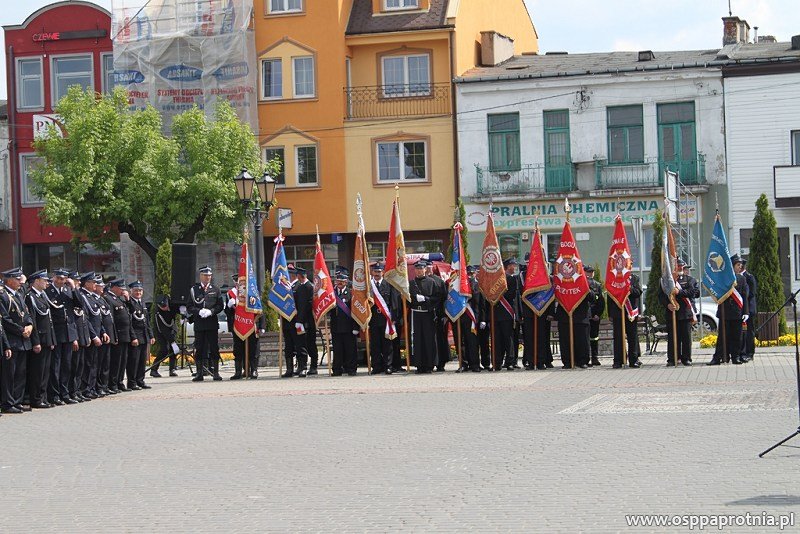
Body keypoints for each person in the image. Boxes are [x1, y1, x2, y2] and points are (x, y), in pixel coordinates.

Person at [0, 268, 33, 414]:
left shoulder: (19, 294)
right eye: (17, 279)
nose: (20, 282)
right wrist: (21, 330)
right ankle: (8, 403)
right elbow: (5, 319)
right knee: (9, 374)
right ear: (9, 280)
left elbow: (26, 314)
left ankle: (17, 400)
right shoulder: (3, 296)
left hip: (23, 340)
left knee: (21, 372)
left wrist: (29, 326)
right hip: (11, 339)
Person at [45, 268, 79, 405]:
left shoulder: (68, 291)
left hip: (69, 332)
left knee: (67, 365)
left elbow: (80, 305)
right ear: (54, 278)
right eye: (58, 278)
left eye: (64, 279)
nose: (61, 281)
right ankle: (55, 395)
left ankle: (65, 393)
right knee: (56, 366)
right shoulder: (48, 292)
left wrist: (74, 288)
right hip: (57, 333)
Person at [708, 255, 749, 365]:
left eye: (740, 265)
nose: (739, 267)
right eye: (737, 265)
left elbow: (744, 296)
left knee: (737, 336)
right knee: (722, 336)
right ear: (731, 266)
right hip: (724, 311)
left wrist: (746, 312)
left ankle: (735, 357)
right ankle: (718, 357)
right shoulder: (722, 278)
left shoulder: (741, 279)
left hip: (737, 312)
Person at [25, 270, 56, 409]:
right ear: (37, 281)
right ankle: (36, 399)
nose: (47, 283)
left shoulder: (43, 296)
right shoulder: (30, 297)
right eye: (44, 280)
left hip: (47, 338)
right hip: (39, 339)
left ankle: (42, 397)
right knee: (37, 371)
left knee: (45, 371)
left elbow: (49, 320)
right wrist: (36, 341)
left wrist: (52, 340)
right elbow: (33, 321)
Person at [658, 259, 698, 366]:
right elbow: (661, 296)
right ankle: (672, 358)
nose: (680, 268)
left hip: (685, 313)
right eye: (677, 267)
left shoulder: (689, 280)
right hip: (672, 312)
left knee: (686, 338)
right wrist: (668, 304)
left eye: (681, 267)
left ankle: (686, 358)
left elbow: (692, 292)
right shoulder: (666, 281)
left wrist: (679, 292)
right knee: (672, 338)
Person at [188, 266, 224, 381]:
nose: (207, 277)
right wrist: (199, 311)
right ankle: (199, 373)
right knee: (199, 348)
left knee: (214, 348)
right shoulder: (194, 290)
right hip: (199, 324)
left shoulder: (216, 289)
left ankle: (216, 372)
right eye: (205, 275)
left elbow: (220, 305)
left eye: (209, 275)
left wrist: (211, 312)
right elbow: (189, 306)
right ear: (201, 276)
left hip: (211, 323)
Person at [368, 262, 399, 375]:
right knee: (375, 344)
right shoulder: (369, 285)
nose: (377, 274)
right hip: (373, 318)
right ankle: (376, 366)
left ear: (383, 272)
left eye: (379, 271)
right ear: (372, 272)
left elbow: (394, 302)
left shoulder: (389, 284)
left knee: (388, 344)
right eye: (375, 271)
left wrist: (394, 317)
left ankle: (388, 366)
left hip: (386, 319)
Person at [281, 265, 312, 377]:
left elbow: (303, 306)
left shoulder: (300, 286)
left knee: (300, 345)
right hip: (287, 322)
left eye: (288, 274)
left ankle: (302, 367)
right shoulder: (285, 288)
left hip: (297, 322)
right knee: (288, 346)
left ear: (293, 275)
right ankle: (289, 369)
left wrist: (300, 321)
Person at [608, 273, 643, 368]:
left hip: (630, 312)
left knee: (632, 337)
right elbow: (610, 295)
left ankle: (634, 360)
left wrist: (629, 289)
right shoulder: (614, 277)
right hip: (618, 312)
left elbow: (638, 292)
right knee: (618, 337)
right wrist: (610, 313)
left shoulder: (634, 278)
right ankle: (618, 361)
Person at [409, 260, 439, 373]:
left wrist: (426, 299)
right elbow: (407, 299)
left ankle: (429, 364)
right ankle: (419, 365)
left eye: (421, 269)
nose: (419, 271)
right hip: (416, 313)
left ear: (425, 269)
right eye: (417, 269)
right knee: (417, 340)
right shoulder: (411, 283)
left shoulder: (431, 282)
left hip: (427, 313)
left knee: (428, 339)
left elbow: (437, 298)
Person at [494, 258, 522, 371]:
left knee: (508, 338)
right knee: (498, 339)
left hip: (507, 313)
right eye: (512, 265)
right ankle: (497, 362)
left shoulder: (511, 279)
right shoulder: (497, 279)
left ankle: (510, 361)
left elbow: (512, 296)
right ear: (507, 266)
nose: (514, 267)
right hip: (496, 314)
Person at [68, 272, 92, 402]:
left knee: (80, 366)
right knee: (74, 367)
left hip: (82, 336)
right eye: (75, 281)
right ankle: (73, 391)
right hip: (74, 336)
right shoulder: (70, 294)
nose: (77, 283)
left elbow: (84, 317)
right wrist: (73, 288)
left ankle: (78, 391)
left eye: (78, 281)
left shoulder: (78, 295)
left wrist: (87, 336)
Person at [330, 272, 359, 376]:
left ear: (346, 282)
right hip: (336, 327)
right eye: (337, 281)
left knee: (350, 349)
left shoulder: (351, 293)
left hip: (349, 327)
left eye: (341, 281)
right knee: (337, 350)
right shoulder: (332, 294)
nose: (339, 283)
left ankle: (351, 369)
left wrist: (356, 327)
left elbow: (356, 311)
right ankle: (337, 369)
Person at [127, 280, 154, 389]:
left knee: (142, 360)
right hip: (136, 335)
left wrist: (151, 335)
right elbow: (129, 323)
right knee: (134, 361)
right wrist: (133, 337)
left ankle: (140, 380)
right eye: (136, 290)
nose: (138, 292)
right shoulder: (130, 303)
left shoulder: (142, 303)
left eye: (140, 290)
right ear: (131, 291)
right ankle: (132, 382)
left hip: (143, 335)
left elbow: (146, 321)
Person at [104, 278, 129, 393]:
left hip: (124, 335)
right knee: (115, 361)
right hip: (117, 334)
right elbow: (111, 319)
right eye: (120, 288)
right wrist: (113, 335)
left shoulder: (119, 299)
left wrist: (127, 300)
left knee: (122, 361)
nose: (122, 291)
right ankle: (112, 384)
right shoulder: (108, 298)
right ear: (113, 288)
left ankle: (119, 382)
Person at [426, 263, 450, 371]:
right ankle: (429, 363)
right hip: (426, 315)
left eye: (429, 267)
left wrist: (445, 315)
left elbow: (445, 298)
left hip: (439, 314)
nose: (427, 269)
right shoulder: (419, 281)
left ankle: (441, 363)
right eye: (425, 267)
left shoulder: (439, 281)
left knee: (440, 340)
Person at [458, 265, 481, 372]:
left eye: (472, 273)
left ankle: (475, 364)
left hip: (471, 317)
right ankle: (463, 364)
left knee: (472, 342)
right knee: (461, 342)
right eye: (468, 274)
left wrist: (478, 318)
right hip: (460, 316)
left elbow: (479, 303)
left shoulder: (477, 285)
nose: (470, 275)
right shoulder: (458, 285)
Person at [152, 295, 178, 377]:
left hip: (171, 328)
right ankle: (154, 369)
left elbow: (178, 310)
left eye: (166, 306)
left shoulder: (172, 305)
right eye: (162, 307)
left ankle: (172, 369)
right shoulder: (158, 313)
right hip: (161, 332)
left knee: (173, 351)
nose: (165, 308)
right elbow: (163, 329)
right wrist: (172, 342)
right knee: (164, 350)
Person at [586, 266, 605, 367]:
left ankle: (595, 358)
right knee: (585, 339)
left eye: (591, 272)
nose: (590, 274)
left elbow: (601, 302)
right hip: (584, 316)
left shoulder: (597, 285)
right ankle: (585, 359)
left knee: (594, 338)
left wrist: (598, 314)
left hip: (594, 317)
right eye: (588, 272)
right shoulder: (581, 284)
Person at [739, 258, 757, 363]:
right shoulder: (737, 277)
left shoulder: (749, 277)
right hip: (740, 309)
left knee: (749, 332)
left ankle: (749, 353)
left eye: (741, 265)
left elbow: (752, 293)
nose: (740, 267)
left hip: (749, 309)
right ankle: (742, 352)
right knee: (742, 332)